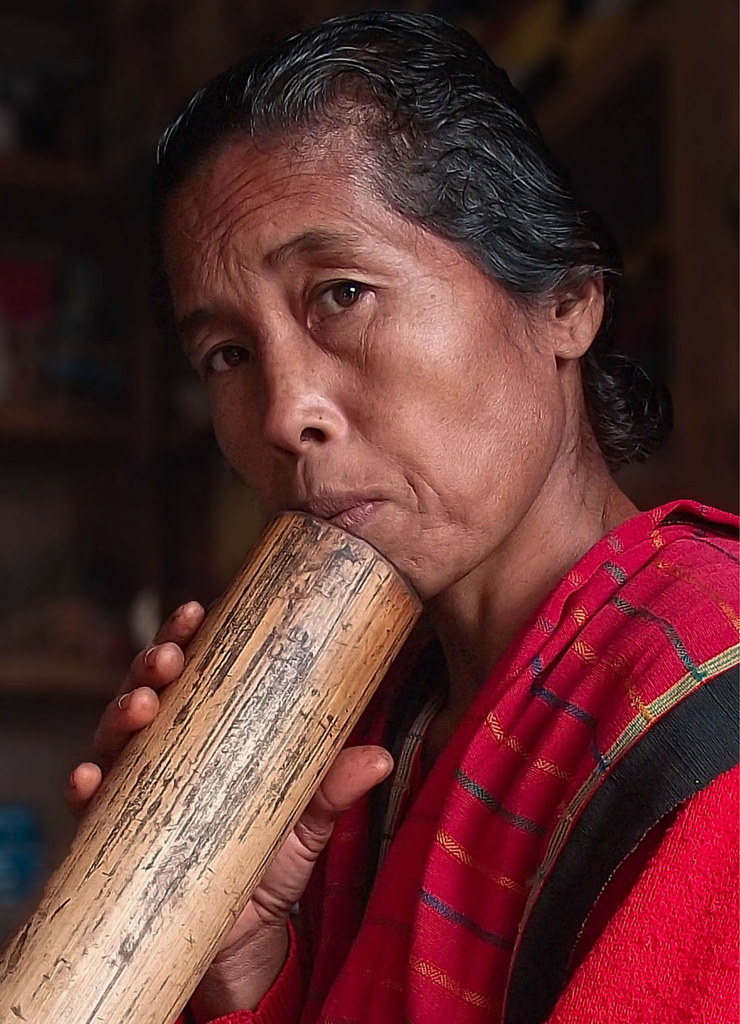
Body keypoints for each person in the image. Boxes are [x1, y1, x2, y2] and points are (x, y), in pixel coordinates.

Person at [66, 12, 738, 1024]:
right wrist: (238, 959)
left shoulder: (705, 723)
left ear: (565, 302)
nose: (285, 413)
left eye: (341, 293)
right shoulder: (373, 723)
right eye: (227, 355)